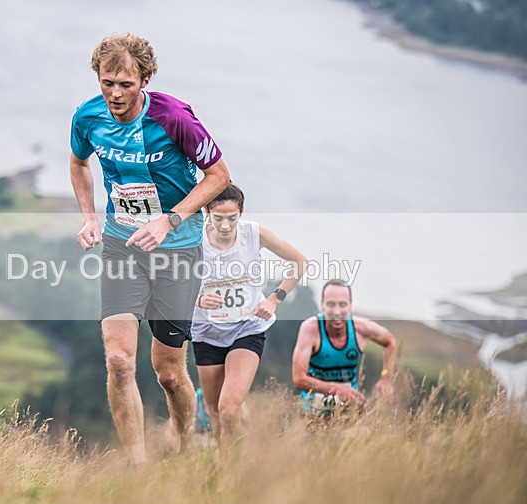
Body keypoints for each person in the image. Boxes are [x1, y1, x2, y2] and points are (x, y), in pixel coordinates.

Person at [69, 33, 231, 466]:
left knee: (170, 374)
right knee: (119, 361)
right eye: (107, 83)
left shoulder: (173, 118)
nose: (115, 94)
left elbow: (218, 176)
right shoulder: (87, 117)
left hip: (178, 250)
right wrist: (89, 217)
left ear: (145, 80)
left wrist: (169, 219)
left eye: (125, 84)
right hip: (122, 245)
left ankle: (185, 445)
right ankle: (139, 468)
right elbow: (79, 163)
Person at [192, 183, 307, 445]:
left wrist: (274, 299)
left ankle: (243, 465)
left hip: (247, 328)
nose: (225, 225)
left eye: (232, 218)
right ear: (207, 213)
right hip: (206, 332)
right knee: (214, 413)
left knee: (228, 409)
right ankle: (226, 464)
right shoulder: (194, 239)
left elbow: (300, 261)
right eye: (218, 218)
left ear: (241, 213)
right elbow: (170, 282)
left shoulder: (254, 234)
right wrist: (198, 300)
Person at [291, 279, 397, 415]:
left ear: (350, 306)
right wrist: (337, 390)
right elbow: (299, 379)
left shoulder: (361, 328)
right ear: (322, 304)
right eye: (331, 304)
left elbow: (390, 341)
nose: (337, 312)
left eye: (342, 304)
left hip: (349, 408)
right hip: (312, 410)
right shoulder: (310, 329)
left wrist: (386, 377)